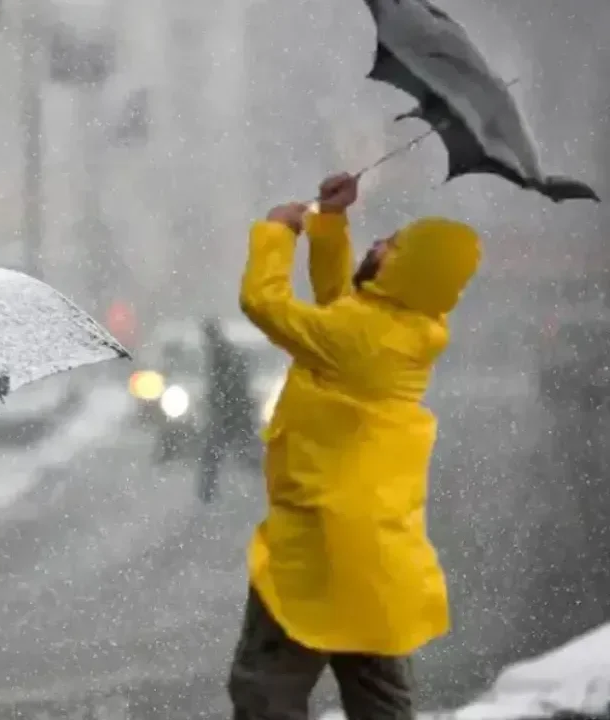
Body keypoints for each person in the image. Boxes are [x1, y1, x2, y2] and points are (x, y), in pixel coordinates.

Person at [227, 173, 481, 720]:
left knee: (265, 690)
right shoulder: (405, 326)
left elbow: (263, 303)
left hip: (319, 546)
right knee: (380, 701)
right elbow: (340, 304)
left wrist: (276, 233)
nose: (378, 245)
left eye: (391, 247)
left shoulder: (360, 339)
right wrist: (328, 224)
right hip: (378, 555)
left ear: (408, 271)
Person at [198, 317, 257, 503]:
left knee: (216, 451)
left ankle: (207, 491)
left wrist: (222, 404)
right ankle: (208, 491)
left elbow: (227, 384)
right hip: (234, 410)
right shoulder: (222, 351)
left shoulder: (221, 353)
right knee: (243, 449)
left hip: (231, 411)